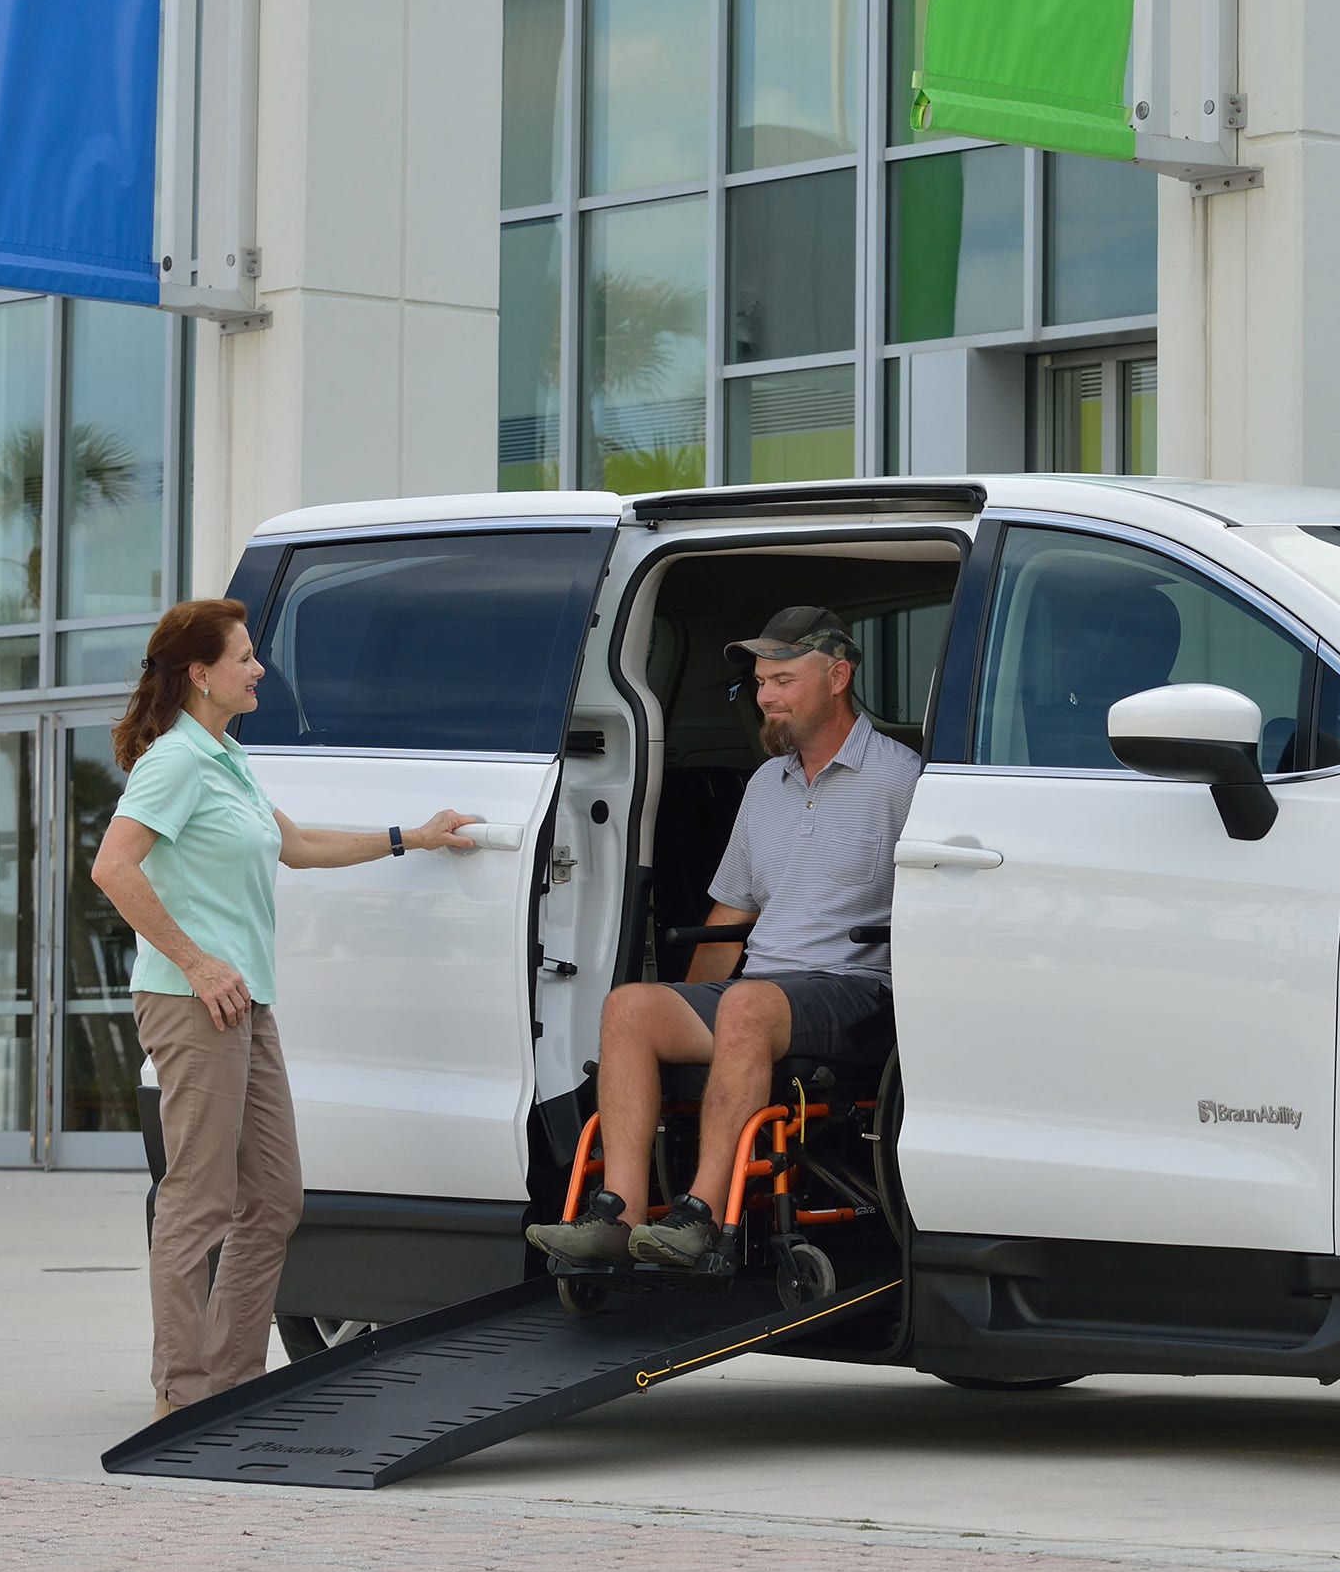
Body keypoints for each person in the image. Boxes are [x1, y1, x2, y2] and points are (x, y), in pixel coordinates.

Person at [90, 598, 482, 1417]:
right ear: (201, 674)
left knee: (275, 1199)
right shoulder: (174, 763)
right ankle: (183, 1392)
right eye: (243, 657)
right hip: (191, 1001)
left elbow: (297, 846)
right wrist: (197, 964)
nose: (258, 667)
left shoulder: (225, 757)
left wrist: (413, 836)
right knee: (197, 1200)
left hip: (246, 1004)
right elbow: (114, 869)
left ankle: (230, 1381)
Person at [528, 604, 921, 1271]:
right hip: (763, 995)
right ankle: (616, 1216)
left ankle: (701, 1218)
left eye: (784, 681)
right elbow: (729, 914)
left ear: (837, 678)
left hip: (855, 990)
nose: (766, 697)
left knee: (746, 1004)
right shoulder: (766, 783)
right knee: (631, 1007)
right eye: (761, 683)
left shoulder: (900, 778)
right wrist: (687, 1005)